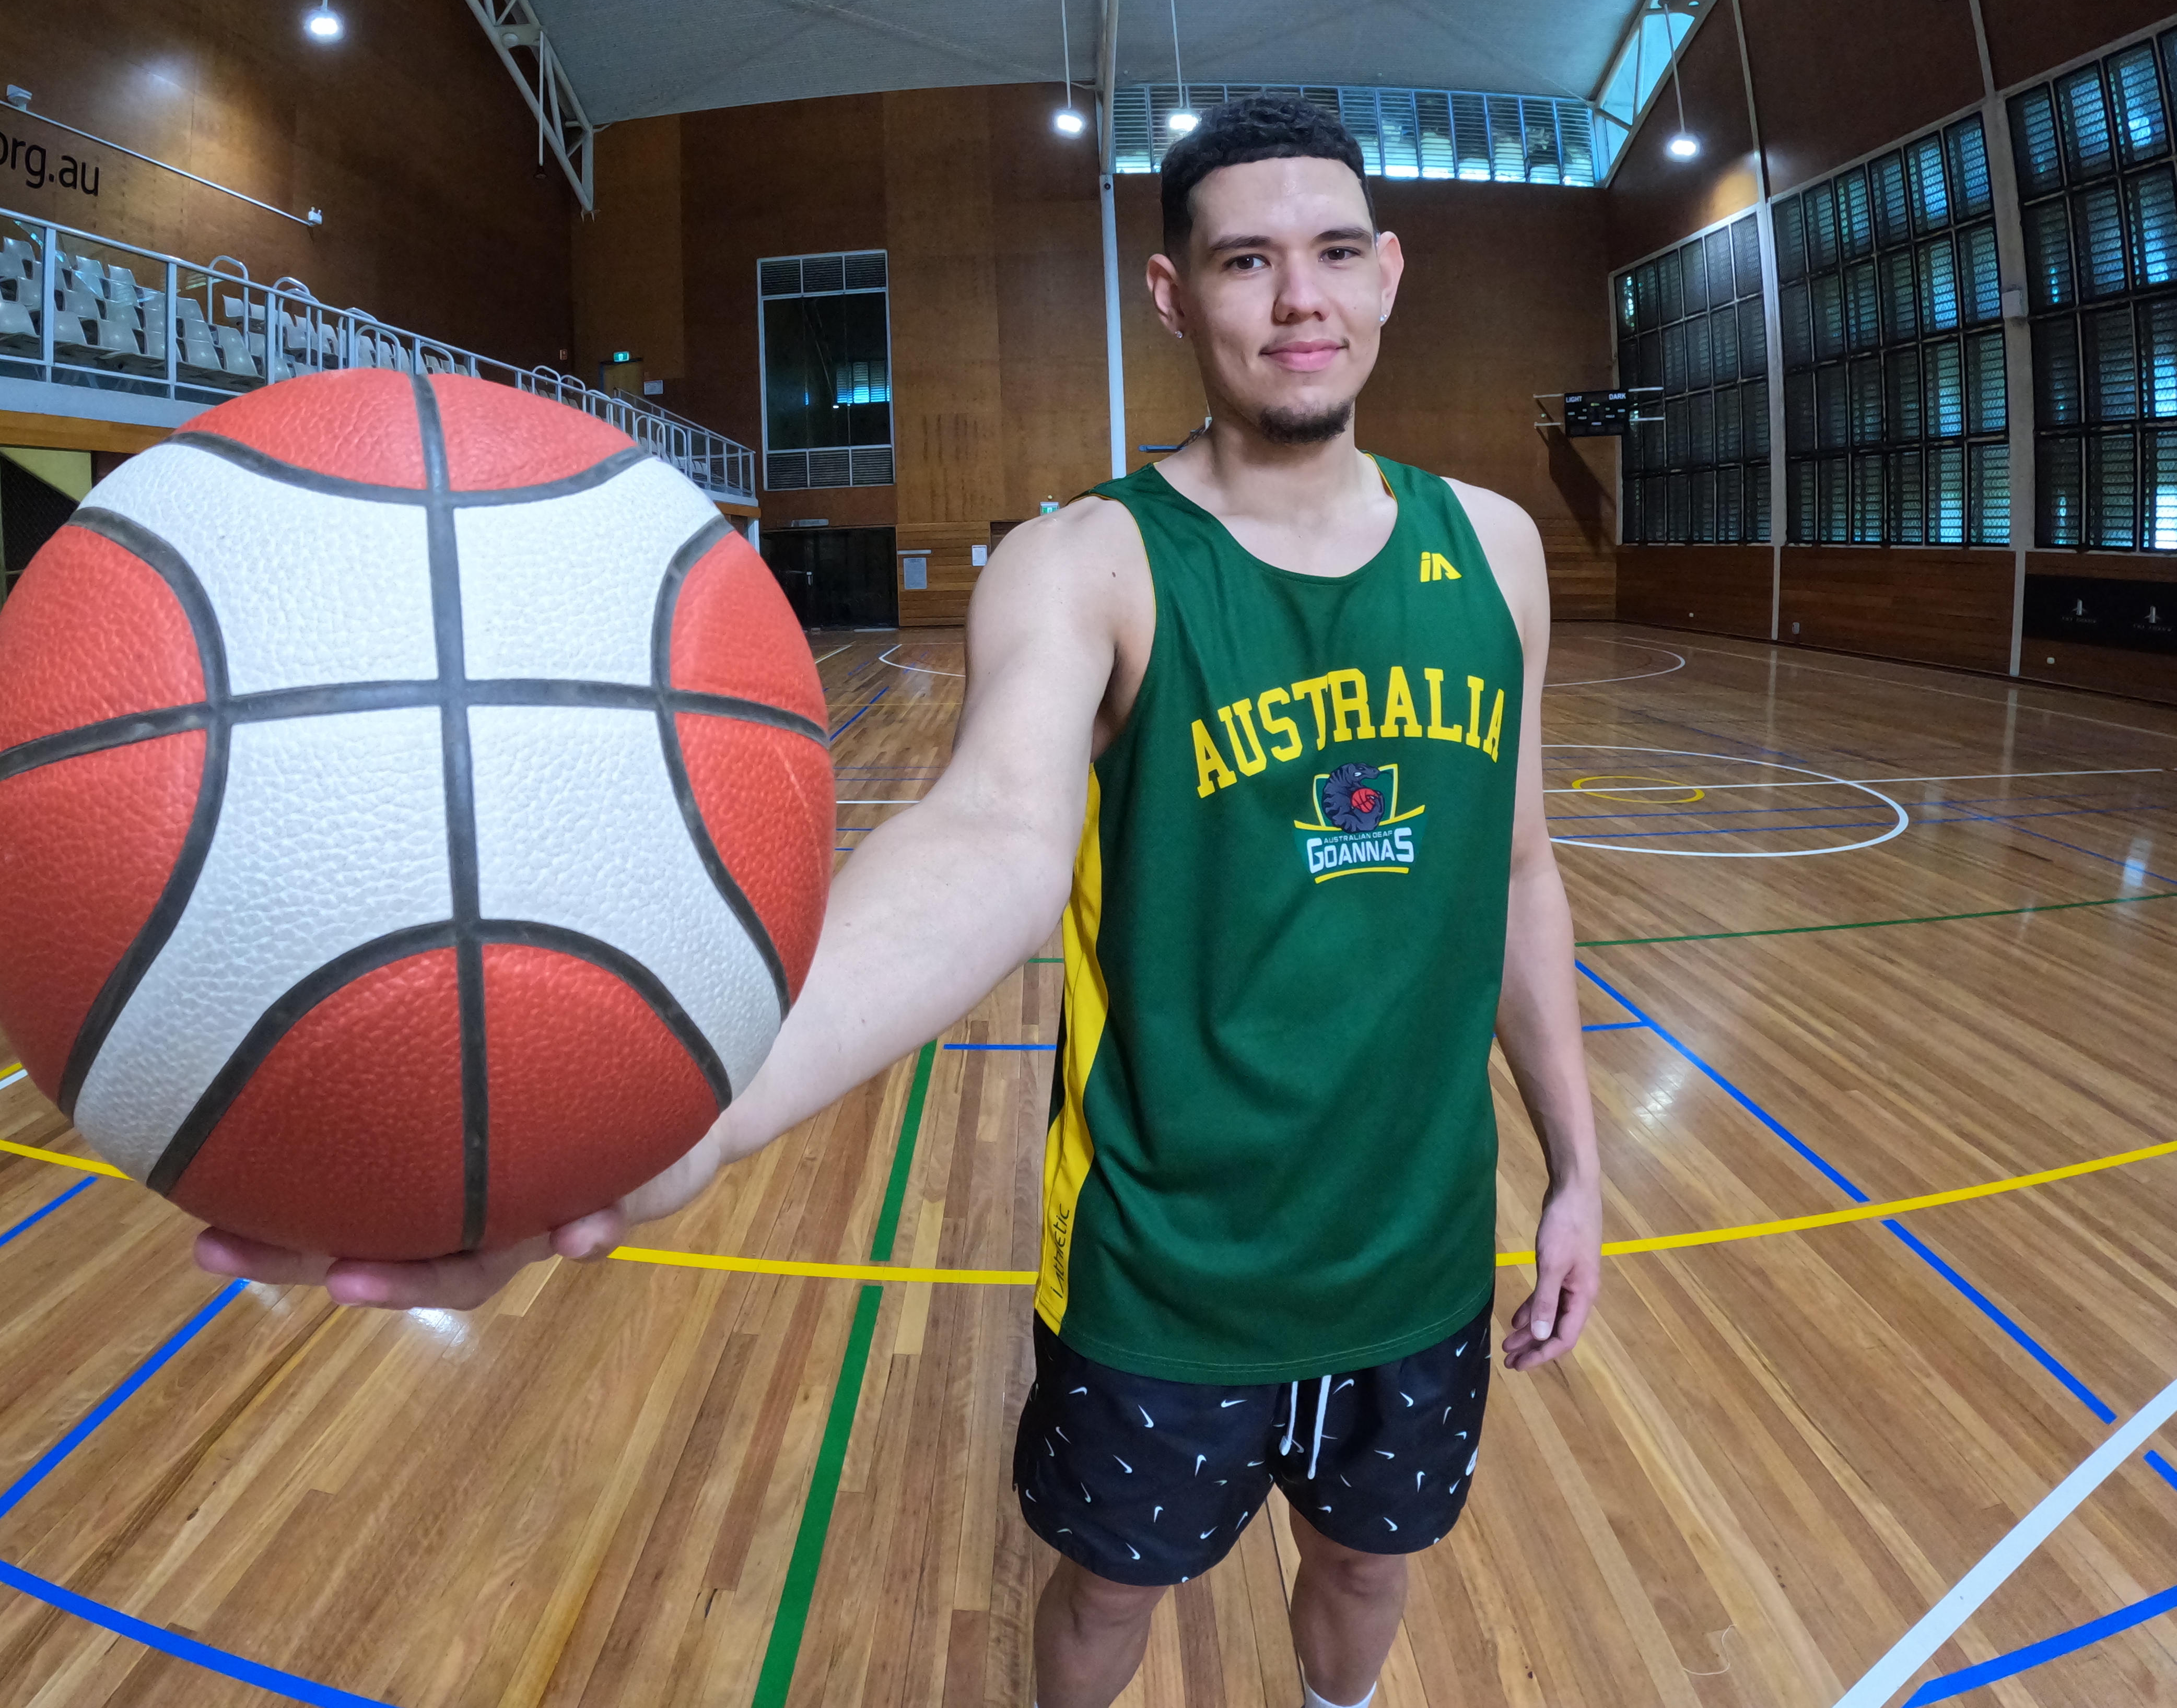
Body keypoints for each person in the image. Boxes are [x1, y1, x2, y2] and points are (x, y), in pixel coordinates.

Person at [197, 93, 1604, 1708]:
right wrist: (703, 1109)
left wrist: (1575, 1162)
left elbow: (1518, 872)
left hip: (1423, 1250)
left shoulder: (1493, 551)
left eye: (1336, 253)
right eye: (1246, 261)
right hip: (1169, 1267)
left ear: (1390, 272)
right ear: (1173, 295)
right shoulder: (1088, 562)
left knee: (1370, 1566)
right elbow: (990, 844)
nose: (1301, 299)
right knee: (1110, 1596)